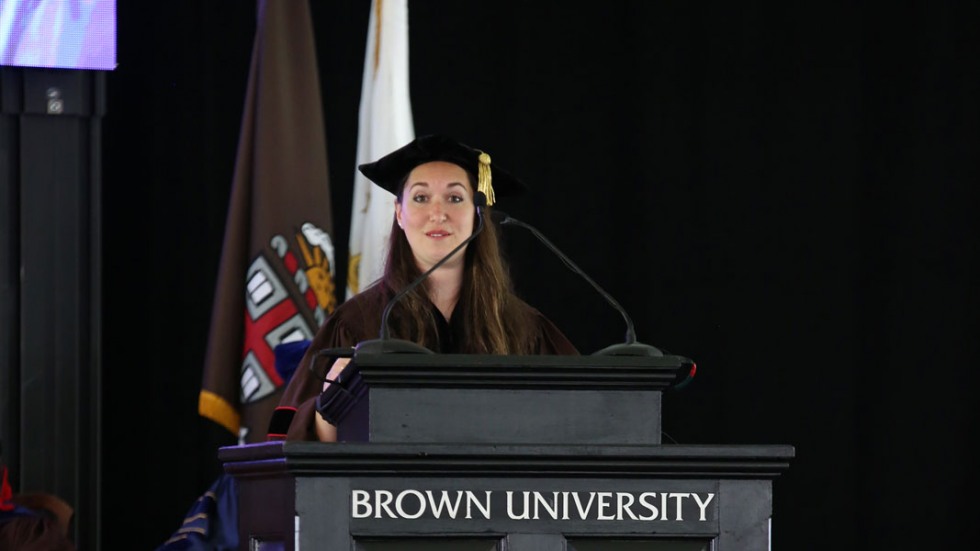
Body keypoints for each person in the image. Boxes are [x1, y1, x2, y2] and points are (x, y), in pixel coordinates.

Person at [269, 134, 579, 442]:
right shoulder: (355, 323)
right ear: (399, 213)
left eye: (455, 198)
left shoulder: (524, 328)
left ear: (478, 212)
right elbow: (285, 446)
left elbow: (584, 423)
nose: (438, 213)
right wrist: (330, 407)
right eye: (420, 197)